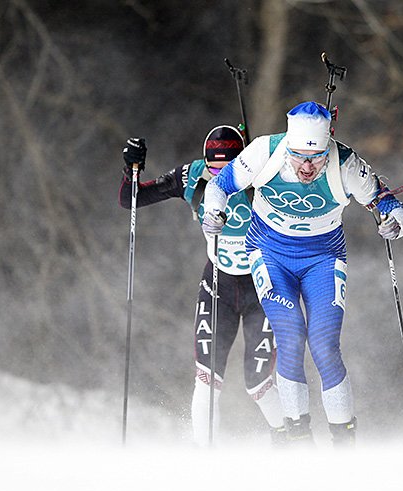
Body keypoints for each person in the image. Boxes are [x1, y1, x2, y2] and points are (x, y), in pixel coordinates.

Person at [201, 102, 403, 447]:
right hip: (269, 254)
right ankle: (299, 438)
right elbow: (219, 186)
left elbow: (388, 203)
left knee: (325, 345)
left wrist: (395, 223)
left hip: (323, 259)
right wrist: (214, 212)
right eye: (299, 157)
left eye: (316, 158)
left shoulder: (345, 163)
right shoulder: (265, 151)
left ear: (328, 147)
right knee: (291, 336)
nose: (308, 166)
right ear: (289, 146)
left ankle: (344, 441)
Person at [118, 126, 285, 445]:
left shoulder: (263, 174)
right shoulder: (192, 176)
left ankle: (289, 438)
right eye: (213, 169)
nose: (220, 177)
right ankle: (205, 454)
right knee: (207, 380)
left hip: (263, 287)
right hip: (218, 285)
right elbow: (131, 198)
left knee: (258, 383)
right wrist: (131, 169)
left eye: (229, 170)